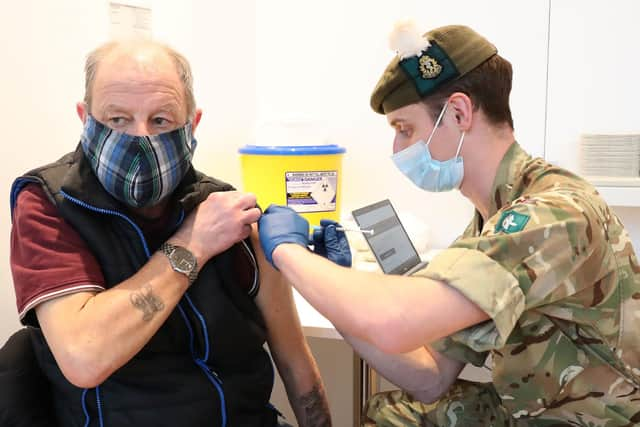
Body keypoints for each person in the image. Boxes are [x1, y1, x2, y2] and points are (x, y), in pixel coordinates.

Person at [257, 22, 640, 426]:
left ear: (459, 112)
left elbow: (393, 322)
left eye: (405, 130)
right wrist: (334, 285)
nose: (397, 149)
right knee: (396, 413)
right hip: (539, 406)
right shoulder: (493, 216)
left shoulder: (550, 215)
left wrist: (288, 253)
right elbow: (430, 376)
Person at [9, 39, 331, 427]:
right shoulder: (51, 204)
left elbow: (296, 361)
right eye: (117, 120)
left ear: (191, 125)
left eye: (160, 120)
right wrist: (193, 244)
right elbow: (84, 355)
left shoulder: (226, 210)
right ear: (85, 118)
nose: (140, 138)